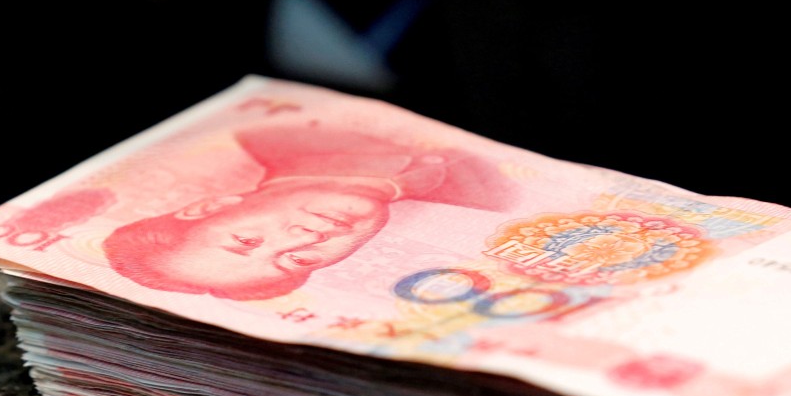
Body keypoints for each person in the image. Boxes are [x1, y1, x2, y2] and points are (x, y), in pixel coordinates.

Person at [103, 124, 520, 300]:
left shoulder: (275, 134)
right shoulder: (489, 210)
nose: (305, 239)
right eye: (296, 261)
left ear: (212, 207)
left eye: (247, 241)